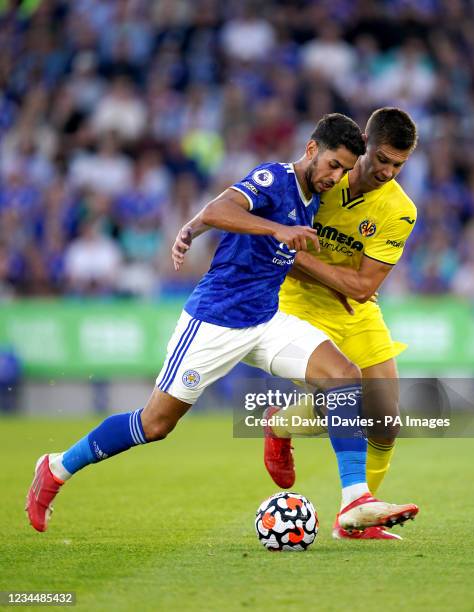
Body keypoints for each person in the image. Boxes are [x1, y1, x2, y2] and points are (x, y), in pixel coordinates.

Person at [26, 113, 416, 536]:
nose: (336, 176)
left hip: (266, 319)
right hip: (216, 320)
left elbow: (214, 215)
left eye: (343, 169)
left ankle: (355, 499)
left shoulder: (321, 193)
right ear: (310, 150)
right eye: (332, 165)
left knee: (344, 376)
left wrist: (191, 228)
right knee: (154, 424)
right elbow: (220, 207)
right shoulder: (274, 178)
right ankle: (57, 466)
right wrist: (268, 230)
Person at [264, 107, 420, 540]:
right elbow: (279, 252)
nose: (388, 171)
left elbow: (363, 287)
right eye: (382, 158)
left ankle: (356, 519)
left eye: (398, 165)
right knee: (349, 394)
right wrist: (331, 275)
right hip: (297, 303)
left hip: (355, 313)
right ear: (364, 141)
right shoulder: (321, 179)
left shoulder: (399, 210)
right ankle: (281, 425)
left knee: (386, 418)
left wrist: (307, 259)